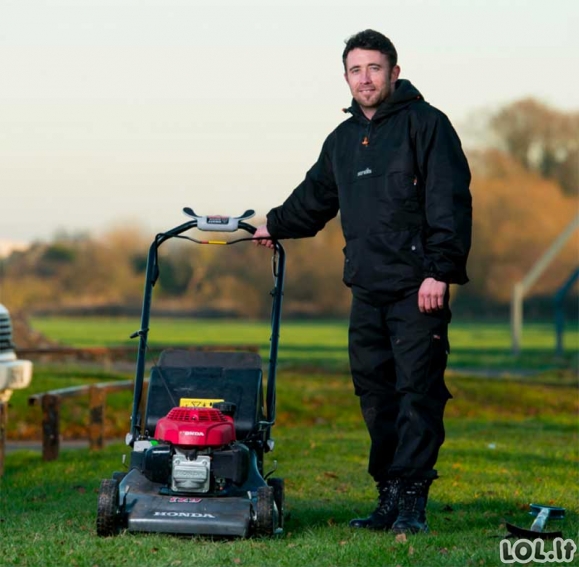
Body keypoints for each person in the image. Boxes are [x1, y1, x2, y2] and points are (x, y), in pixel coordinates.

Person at [254, 29, 472, 534]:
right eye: (356, 70)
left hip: (419, 287)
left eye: (374, 68)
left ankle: (413, 501)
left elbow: (450, 203)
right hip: (367, 288)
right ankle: (388, 497)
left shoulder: (428, 125)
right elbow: (314, 199)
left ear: (394, 72)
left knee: (418, 392)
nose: (365, 78)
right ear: (347, 77)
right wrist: (274, 223)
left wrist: (439, 270)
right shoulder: (344, 140)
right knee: (375, 394)